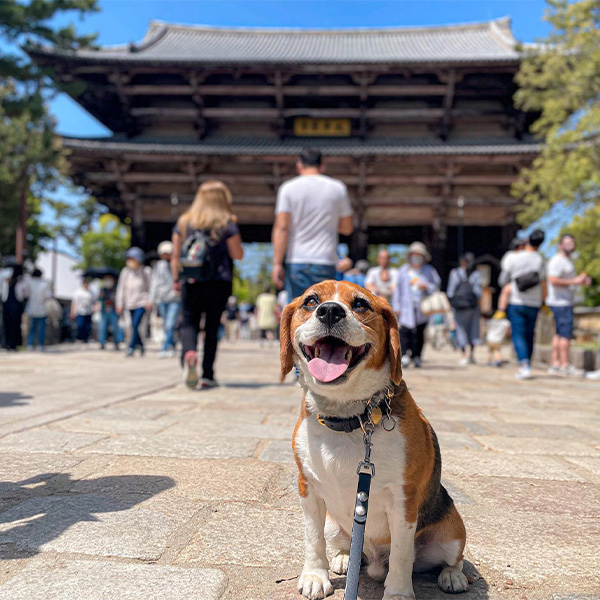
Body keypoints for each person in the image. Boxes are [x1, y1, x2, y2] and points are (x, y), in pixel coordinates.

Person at [171, 180, 244, 389]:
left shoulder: (184, 222)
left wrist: (177, 279)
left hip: (191, 281)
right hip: (218, 283)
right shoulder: (227, 224)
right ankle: (207, 375)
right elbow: (237, 254)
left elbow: (176, 255)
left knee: (189, 322)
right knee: (212, 327)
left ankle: (189, 353)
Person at [271, 148, 353, 299]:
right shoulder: (338, 188)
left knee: (298, 314)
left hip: (296, 259)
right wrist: (330, 224)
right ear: (322, 166)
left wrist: (277, 264)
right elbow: (347, 228)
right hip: (326, 259)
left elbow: (282, 227)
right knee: (325, 313)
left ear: (299, 165)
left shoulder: (288, 188)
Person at [502, 229, 546, 380]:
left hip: (517, 300)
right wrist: (544, 301)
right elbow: (543, 281)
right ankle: (528, 363)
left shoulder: (514, 257)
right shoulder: (540, 259)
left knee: (518, 334)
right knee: (529, 334)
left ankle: (524, 364)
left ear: (527, 240)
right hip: (534, 302)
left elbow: (504, 277)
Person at [546, 234, 591, 377]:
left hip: (564, 302)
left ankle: (556, 364)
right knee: (565, 334)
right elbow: (553, 280)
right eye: (567, 243)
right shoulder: (557, 261)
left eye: (572, 242)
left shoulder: (568, 261)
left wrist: (581, 281)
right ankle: (565, 365)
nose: (570, 245)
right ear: (560, 245)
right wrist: (574, 282)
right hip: (560, 303)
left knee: (559, 334)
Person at [391, 242, 441, 368]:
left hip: (422, 306)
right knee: (405, 332)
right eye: (414, 254)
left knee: (419, 332)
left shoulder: (429, 270)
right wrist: (396, 306)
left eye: (419, 255)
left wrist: (426, 286)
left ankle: (417, 355)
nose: (416, 257)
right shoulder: (403, 270)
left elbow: (436, 286)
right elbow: (398, 290)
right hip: (406, 306)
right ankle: (405, 356)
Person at [447, 253, 482, 366]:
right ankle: (471, 354)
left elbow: (450, 291)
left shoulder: (455, 273)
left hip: (459, 307)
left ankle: (463, 354)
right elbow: (478, 292)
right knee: (473, 329)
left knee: (461, 329)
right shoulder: (476, 274)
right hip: (473, 307)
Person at [116, 247, 152, 357]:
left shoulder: (146, 271)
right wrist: (119, 303)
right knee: (132, 325)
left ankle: (131, 347)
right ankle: (140, 345)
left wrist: (150, 301)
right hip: (129, 303)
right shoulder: (125, 272)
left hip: (141, 302)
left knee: (135, 324)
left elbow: (151, 288)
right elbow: (121, 288)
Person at [150, 241, 181, 358]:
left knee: (170, 324)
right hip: (162, 298)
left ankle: (165, 346)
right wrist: (152, 298)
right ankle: (171, 345)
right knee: (166, 324)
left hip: (175, 298)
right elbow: (154, 282)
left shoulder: (177, 264)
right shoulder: (158, 266)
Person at [23, 268, 51, 351]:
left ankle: (30, 345)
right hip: (42, 308)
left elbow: (26, 294)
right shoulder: (44, 284)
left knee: (32, 328)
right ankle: (40, 345)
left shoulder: (29, 282)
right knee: (42, 328)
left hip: (31, 307)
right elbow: (48, 296)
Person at [2, 264, 26, 350]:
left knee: (7, 325)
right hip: (16, 306)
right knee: (15, 326)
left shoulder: (6, 280)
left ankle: (6, 344)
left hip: (7, 305)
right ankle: (14, 344)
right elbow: (22, 294)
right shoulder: (19, 281)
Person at [98, 274, 121, 350]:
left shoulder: (116, 289)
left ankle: (116, 342)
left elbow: (118, 299)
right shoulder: (103, 290)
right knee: (102, 328)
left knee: (115, 328)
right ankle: (102, 342)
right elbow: (100, 300)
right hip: (104, 311)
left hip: (113, 311)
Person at [71, 279, 95, 344]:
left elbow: (94, 302)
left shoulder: (91, 292)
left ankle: (86, 338)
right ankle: (79, 338)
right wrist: (72, 312)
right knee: (80, 325)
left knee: (87, 326)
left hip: (88, 311)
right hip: (80, 311)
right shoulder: (78, 292)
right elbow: (74, 302)